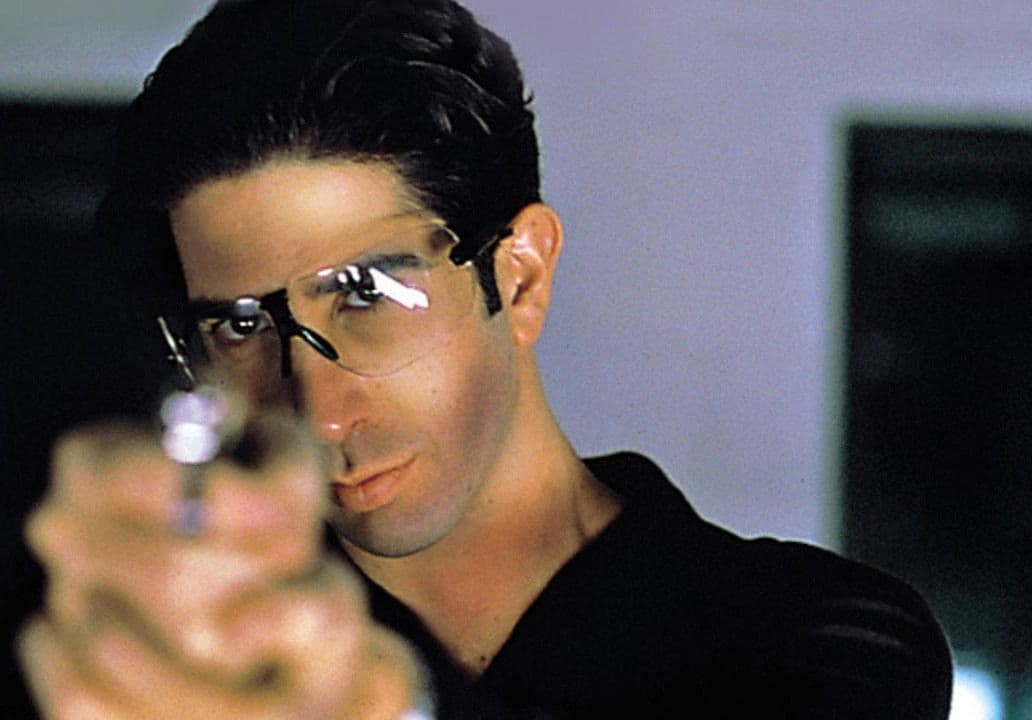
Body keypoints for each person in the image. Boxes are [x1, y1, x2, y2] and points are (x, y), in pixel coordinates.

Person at [18, 0, 954, 717]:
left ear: (521, 275)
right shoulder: (160, 655)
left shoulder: (819, 638)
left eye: (366, 295)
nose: (321, 413)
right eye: (240, 326)